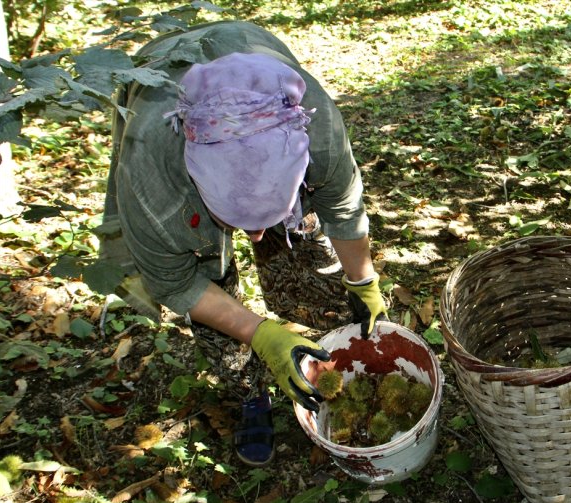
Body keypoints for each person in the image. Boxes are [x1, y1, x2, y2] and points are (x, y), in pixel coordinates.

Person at [99, 21, 387, 466]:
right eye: (238, 222)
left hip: (247, 60)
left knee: (308, 259)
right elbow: (176, 283)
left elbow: (343, 210)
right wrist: (260, 334)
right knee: (217, 297)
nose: (255, 238)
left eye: (265, 221)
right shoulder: (153, 181)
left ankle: (332, 352)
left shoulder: (316, 127)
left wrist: (363, 282)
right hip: (160, 96)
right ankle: (250, 393)